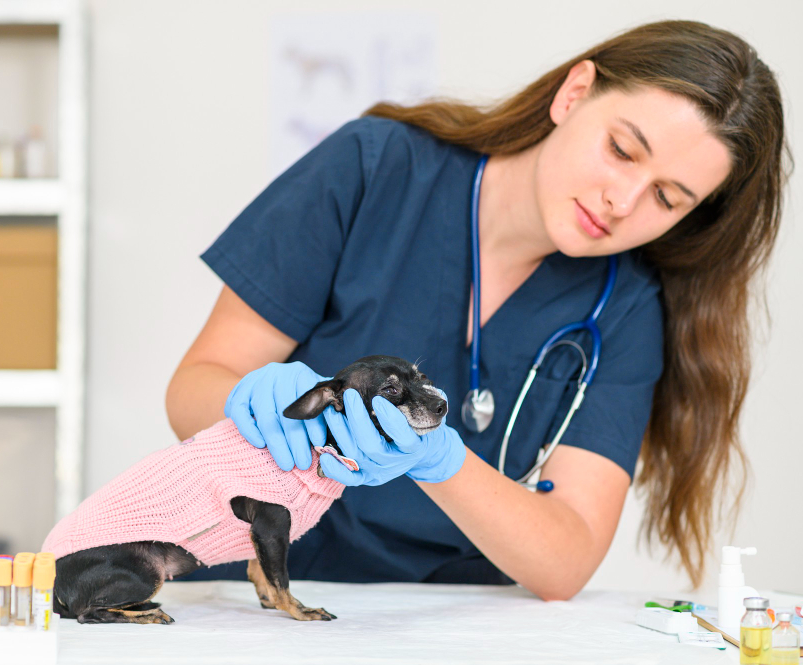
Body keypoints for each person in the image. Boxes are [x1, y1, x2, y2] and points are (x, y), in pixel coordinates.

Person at [165, 19, 791, 599]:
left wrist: (439, 458)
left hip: (449, 621)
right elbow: (193, 388)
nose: (623, 201)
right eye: (622, 150)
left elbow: (565, 560)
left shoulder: (624, 306)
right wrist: (262, 408)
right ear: (574, 94)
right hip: (257, 580)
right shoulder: (375, 168)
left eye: (667, 197)